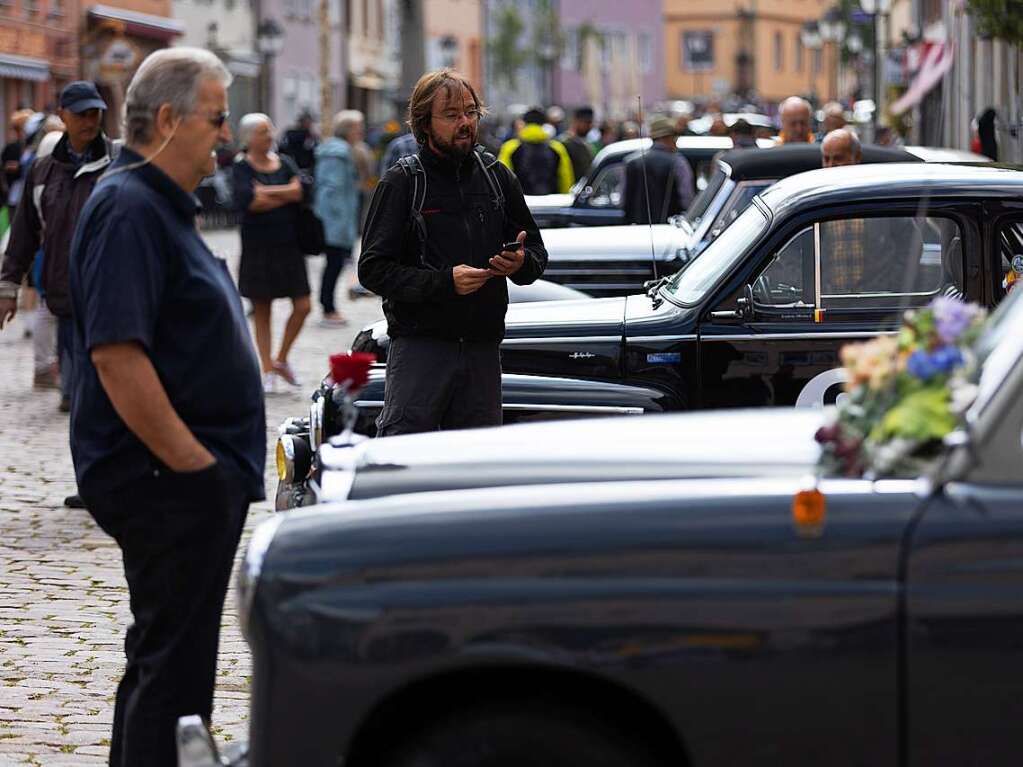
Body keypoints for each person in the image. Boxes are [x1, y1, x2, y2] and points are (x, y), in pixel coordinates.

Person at [67, 47, 264, 767]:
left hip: (185, 481)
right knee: (172, 670)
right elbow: (118, 356)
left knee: (171, 665)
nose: (226, 131)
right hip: (165, 481)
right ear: (170, 118)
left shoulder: (157, 204)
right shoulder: (127, 206)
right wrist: (198, 467)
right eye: (216, 116)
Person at [358, 68, 548, 436]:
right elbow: (373, 269)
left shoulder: (497, 175)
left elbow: (537, 253)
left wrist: (521, 262)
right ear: (424, 124)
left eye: (470, 112)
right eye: (451, 115)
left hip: (482, 349)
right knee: (405, 463)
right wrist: (445, 283)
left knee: (477, 472)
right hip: (421, 349)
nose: (464, 122)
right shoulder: (403, 181)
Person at [0, 82, 115, 509]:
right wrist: (8, 289)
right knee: (82, 395)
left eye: (96, 113)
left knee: (116, 391)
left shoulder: (119, 164)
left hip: (116, 299)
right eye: (82, 113)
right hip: (66, 301)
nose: (90, 121)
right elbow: (24, 236)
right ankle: (91, 482)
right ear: (63, 115)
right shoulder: (44, 171)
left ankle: (120, 478)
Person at [231, 113, 309, 392]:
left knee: (303, 305)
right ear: (249, 137)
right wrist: (284, 193)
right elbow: (249, 202)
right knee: (262, 309)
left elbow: (298, 193)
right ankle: (267, 367)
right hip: (258, 247)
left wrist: (269, 192)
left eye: (269, 130)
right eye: (263, 131)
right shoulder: (241, 167)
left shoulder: (285, 162)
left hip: (289, 245)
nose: (270, 135)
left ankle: (281, 359)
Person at [314, 110, 362, 326]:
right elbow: (329, 191)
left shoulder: (342, 151)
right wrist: (336, 221)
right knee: (333, 264)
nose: (360, 132)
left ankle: (329, 306)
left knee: (335, 263)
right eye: (357, 128)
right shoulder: (337, 154)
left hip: (340, 220)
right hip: (335, 221)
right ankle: (328, 308)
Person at [621, 115, 694, 225]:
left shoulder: (631, 162)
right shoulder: (678, 163)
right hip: (669, 230)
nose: (676, 142)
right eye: (675, 138)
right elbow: (687, 199)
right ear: (667, 138)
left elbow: (623, 200)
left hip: (637, 229)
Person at [498, 106, 574, 194]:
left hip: (521, 203)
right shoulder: (557, 147)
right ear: (543, 124)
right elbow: (565, 178)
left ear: (524, 123)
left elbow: (502, 177)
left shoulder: (510, 147)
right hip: (551, 202)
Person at [2, 108, 32, 224]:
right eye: (17, 129)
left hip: (28, 198)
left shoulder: (33, 148)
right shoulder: (11, 148)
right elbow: (5, 169)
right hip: (15, 197)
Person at [558, 106, 595, 181]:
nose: (590, 126)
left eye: (590, 123)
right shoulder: (564, 143)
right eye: (586, 123)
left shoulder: (585, 144)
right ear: (576, 121)